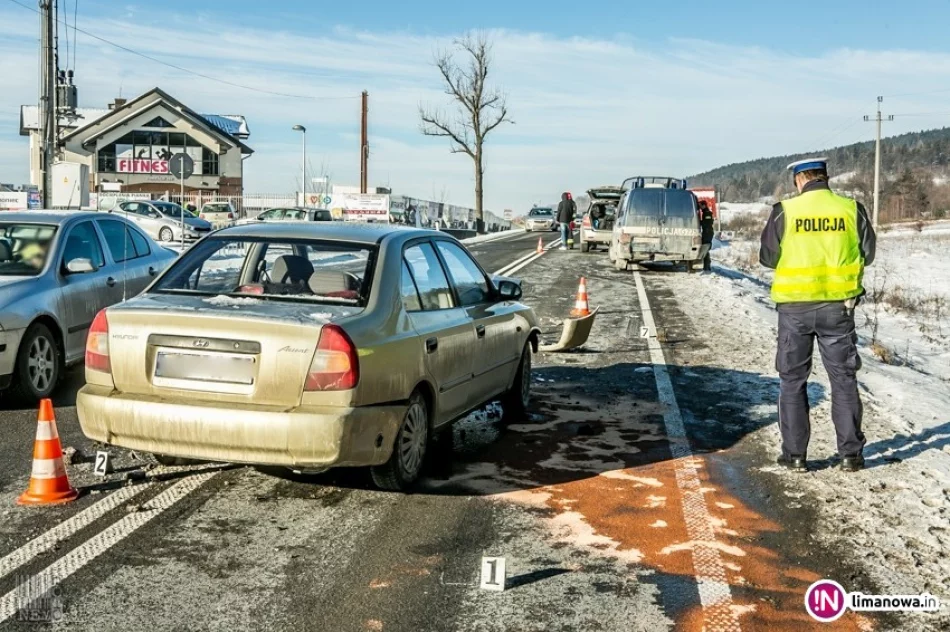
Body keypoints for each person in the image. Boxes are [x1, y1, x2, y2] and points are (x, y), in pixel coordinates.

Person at [760, 157, 876, 473]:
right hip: (838, 308)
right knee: (843, 379)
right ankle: (850, 455)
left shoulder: (785, 211)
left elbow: (768, 257)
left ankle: (795, 455)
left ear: (799, 180)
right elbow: (868, 254)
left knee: (792, 381)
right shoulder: (852, 210)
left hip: (794, 309)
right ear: (826, 177)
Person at [699, 200, 715, 271]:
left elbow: (707, 223)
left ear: (704, 205)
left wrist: (699, 222)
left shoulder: (707, 213)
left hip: (708, 232)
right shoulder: (705, 212)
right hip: (706, 232)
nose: (700, 207)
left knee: (705, 248)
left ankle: (707, 266)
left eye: (700, 206)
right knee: (705, 249)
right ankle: (706, 266)